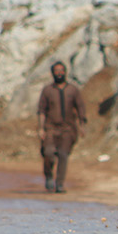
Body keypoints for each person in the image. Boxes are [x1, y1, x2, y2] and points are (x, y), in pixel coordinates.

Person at [36, 61, 87, 193]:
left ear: (65, 72)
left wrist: (82, 125)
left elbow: (80, 107)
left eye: (61, 70)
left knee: (63, 155)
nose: (59, 73)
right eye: (56, 71)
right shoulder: (47, 90)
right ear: (53, 73)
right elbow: (41, 110)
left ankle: (59, 184)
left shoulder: (73, 90)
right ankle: (48, 176)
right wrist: (41, 128)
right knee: (48, 153)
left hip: (68, 129)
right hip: (50, 128)